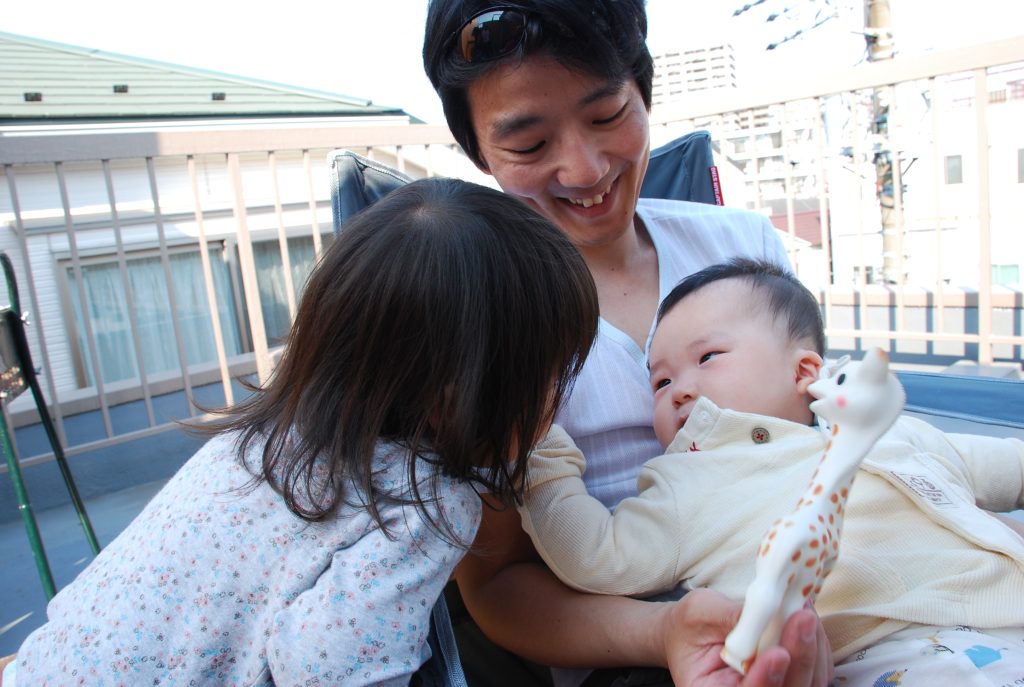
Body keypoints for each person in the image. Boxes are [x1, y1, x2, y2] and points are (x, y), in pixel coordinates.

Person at [0, 178, 600, 687]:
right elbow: (330, 672)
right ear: (463, 393)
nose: (559, 399)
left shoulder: (258, 438)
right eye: (552, 376)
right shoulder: (425, 502)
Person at [423, 2, 833, 686]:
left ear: (643, 91)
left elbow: (814, 419)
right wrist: (665, 633)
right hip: (626, 644)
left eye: (608, 115)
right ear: (478, 153)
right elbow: (494, 583)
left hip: (816, 580)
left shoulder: (741, 245)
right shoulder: (476, 313)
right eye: (528, 146)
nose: (584, 170)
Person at [519, 258, 1024, 687]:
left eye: (708, 357)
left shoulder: (889, 429)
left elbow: (1005, 464)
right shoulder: (684, 486)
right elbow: (595, 554)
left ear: (804, 372)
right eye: (661, 380)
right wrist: (538, 446)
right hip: (890, 652)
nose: (678, 389)